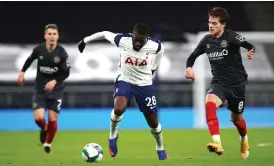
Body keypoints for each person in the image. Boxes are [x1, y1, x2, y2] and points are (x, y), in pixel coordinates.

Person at [78, 23, 168, 160]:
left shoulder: (155, 46)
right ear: (132, 35)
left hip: (144, 84)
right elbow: (104, 33)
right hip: (124, 80)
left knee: (153, 122)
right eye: (136, 39)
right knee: (119, 108)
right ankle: (113, 136)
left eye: (141, 41)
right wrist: (85, 40)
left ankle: (160, 146)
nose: (138, 43)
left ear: (146, 39)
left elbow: (161, 51)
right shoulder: (122, 40)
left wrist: (153, 69)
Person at [185, 7, 255, 159]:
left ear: (222, 25)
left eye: (214, 23)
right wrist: (189, 68)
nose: (210, 26)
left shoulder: (231, 37)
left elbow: (249, 45)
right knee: (209, 104)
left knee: (236, 120)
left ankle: (244, 139)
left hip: (237, 85)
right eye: (209, 22)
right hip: (219, 83)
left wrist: (250, 50)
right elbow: (192, 56)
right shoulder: (206, 40)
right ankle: (217, 143)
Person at [17, 24, 71, 153]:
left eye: (54, 34)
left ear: (57, 36)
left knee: (53, 118)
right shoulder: (39, 49)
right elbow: (29, 60)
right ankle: (44, 128)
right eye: (49, 34)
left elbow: (66, 72)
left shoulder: (62, 52)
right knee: (39, 118)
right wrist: (22, 72)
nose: (52, 36)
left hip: (56, 90)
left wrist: (55, 81)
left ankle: (48, 144)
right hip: (40, 89)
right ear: (45, 36)